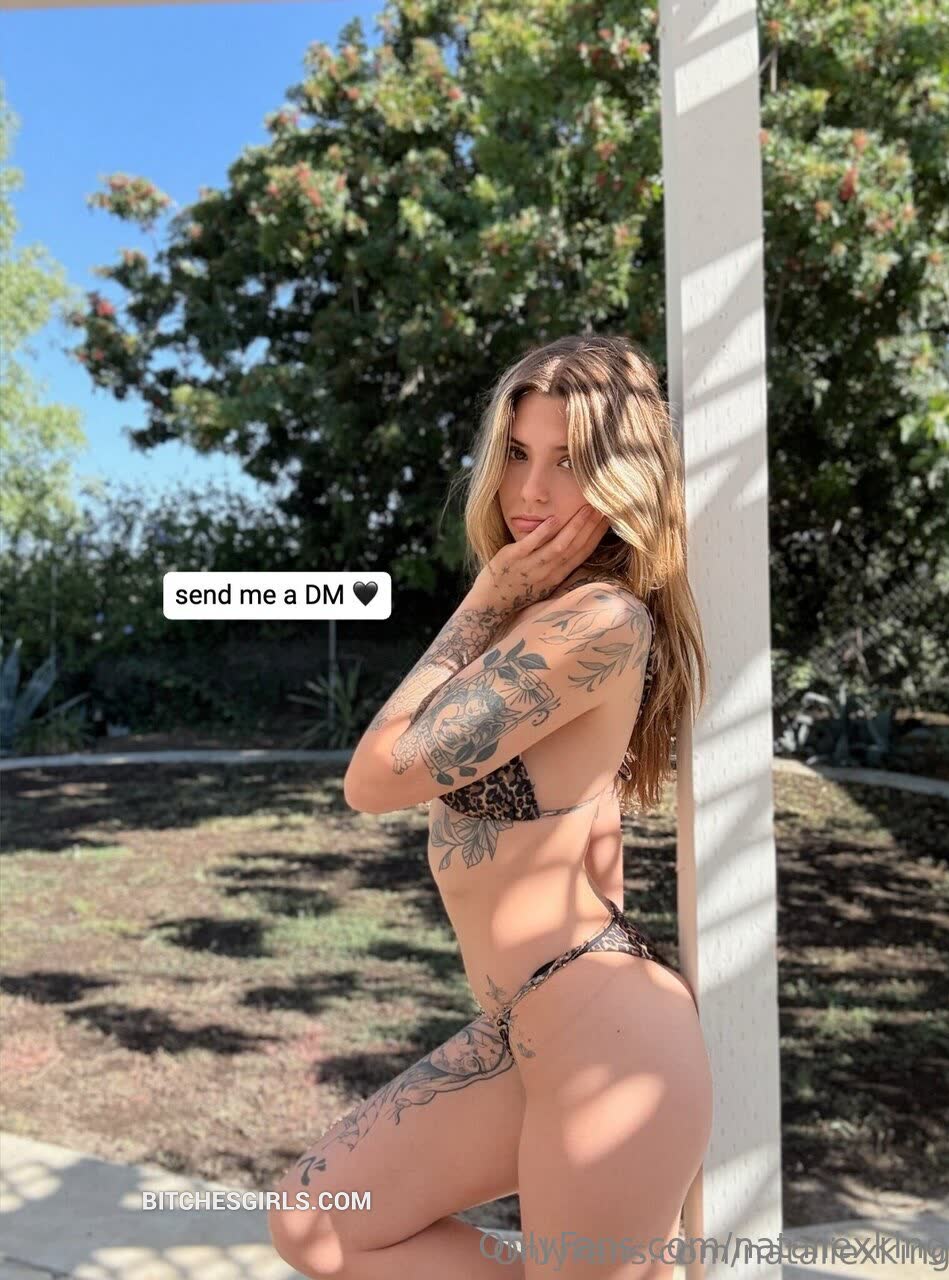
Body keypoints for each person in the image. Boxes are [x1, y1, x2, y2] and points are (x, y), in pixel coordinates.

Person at [268, 334, 713, 1279]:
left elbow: (374, 778)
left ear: (623, 480)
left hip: (607, 1039)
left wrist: (478, 602)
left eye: (569, 460)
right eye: (516, 453)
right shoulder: (544, 617)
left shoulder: (599, 621)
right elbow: (595, 836)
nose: (531, 490)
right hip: (528, 1028)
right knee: (317, 1220)